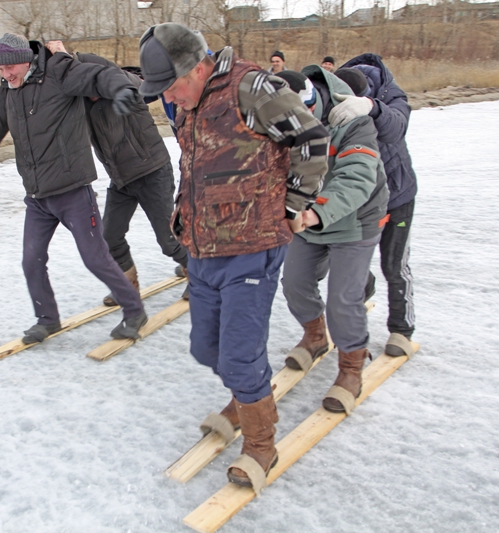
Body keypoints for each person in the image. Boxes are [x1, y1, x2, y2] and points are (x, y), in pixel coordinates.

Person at [138, 23, 329, 489]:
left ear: (198, 67)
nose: (169, 98)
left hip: (253, 245)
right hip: (204, 247)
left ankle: (261, 445)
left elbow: (312, 139)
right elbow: (194, 166)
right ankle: (246, 398)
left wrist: (293, 204)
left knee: (240, 356)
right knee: (207, 349)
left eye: (171, 86)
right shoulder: (189, 102)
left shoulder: (254, 87)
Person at [0, 33, 148, 343]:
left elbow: (98, 75)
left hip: (73, 192)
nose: (5, 75)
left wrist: (122, 88)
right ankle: (47, 319)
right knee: (31, 260)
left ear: (26, 61)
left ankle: (134, 311)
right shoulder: (9, 90)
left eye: (10, 68)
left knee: (95, 258)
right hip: (38, 197)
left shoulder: (59, 73)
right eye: (0, 70)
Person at [44, 40, 188, 305]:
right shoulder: (81, 103)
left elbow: (131, 84)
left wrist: (69, 59)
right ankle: (128, 287)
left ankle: (199, 276)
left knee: (169, 239)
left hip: (152, 170)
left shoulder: (126, 86)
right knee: (110, 238)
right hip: (121, 179)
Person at [279, 67, 389, 416]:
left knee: (343, 298)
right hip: (307, 220)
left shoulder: (352, 121)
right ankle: (315, 335)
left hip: (356, 219)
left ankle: (351, 368)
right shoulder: (277, 124)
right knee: (295, 282)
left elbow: (357, 177)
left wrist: (312, 213)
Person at [330, 53, 418, 357]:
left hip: (397, 195)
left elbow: (396, 126)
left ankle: (401, 330)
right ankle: (360, 298)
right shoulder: (336, 92)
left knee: (394, 264)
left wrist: (371, 108)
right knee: (349, 265)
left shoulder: (389, 94)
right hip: (360, 200)